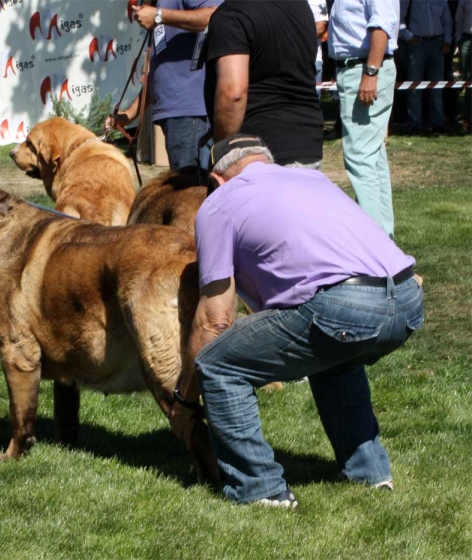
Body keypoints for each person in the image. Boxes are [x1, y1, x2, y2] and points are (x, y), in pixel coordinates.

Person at [170, 134, 424, 508]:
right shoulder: (311, 179)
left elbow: (215, 320)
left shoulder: (219, 204)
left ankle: (259, 489)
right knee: (333, 356)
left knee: (218, 363)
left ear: (216, 179)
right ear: (266, 161)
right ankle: (370, 475)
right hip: (406, 297)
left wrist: (185, 402)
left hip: (345, 306)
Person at [203, 0, 324, 169]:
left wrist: (222, 151)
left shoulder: (232, 14)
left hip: (257, 157)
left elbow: (233, 94)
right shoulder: (300, 6)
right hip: (307, 143)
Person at [105, 0, 222, 171]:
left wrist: (159, 16)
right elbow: (161, 75)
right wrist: (130, 114)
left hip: (191, 114)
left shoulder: (160, 12)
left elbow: (216, 15)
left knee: (190, 192)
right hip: (177, 115)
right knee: (184, 191)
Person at [328, 0, 399, 238]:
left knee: (361, 159)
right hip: (360, 69)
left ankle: (373, 247)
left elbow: (381, 27)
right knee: (373, 158)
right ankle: (384, 243)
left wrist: (370, 73)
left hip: (364, 69)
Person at [399, 0, 453, 134]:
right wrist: (408, 37)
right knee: (414, 85)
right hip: (417, 44)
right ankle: (415, 122)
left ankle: (438, 122)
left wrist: (447, 41)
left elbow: (447, 20)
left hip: (437, 44)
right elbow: (399, 20)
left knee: (437, 85)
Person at [456, 0, 472, 129]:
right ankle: (468, 118)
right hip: (467, 39)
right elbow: (459, 20)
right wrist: (458, 41)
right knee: (468, 80)